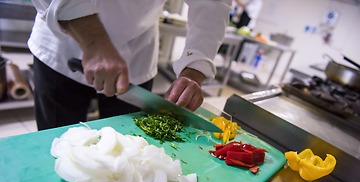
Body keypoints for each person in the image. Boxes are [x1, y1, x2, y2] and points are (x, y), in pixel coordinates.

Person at [28, 0, 232, 130]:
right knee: (56, 140)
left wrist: (195, 67)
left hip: (137, 54)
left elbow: (214, 4)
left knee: (127, 146)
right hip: (65, 45)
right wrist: (93, 42)